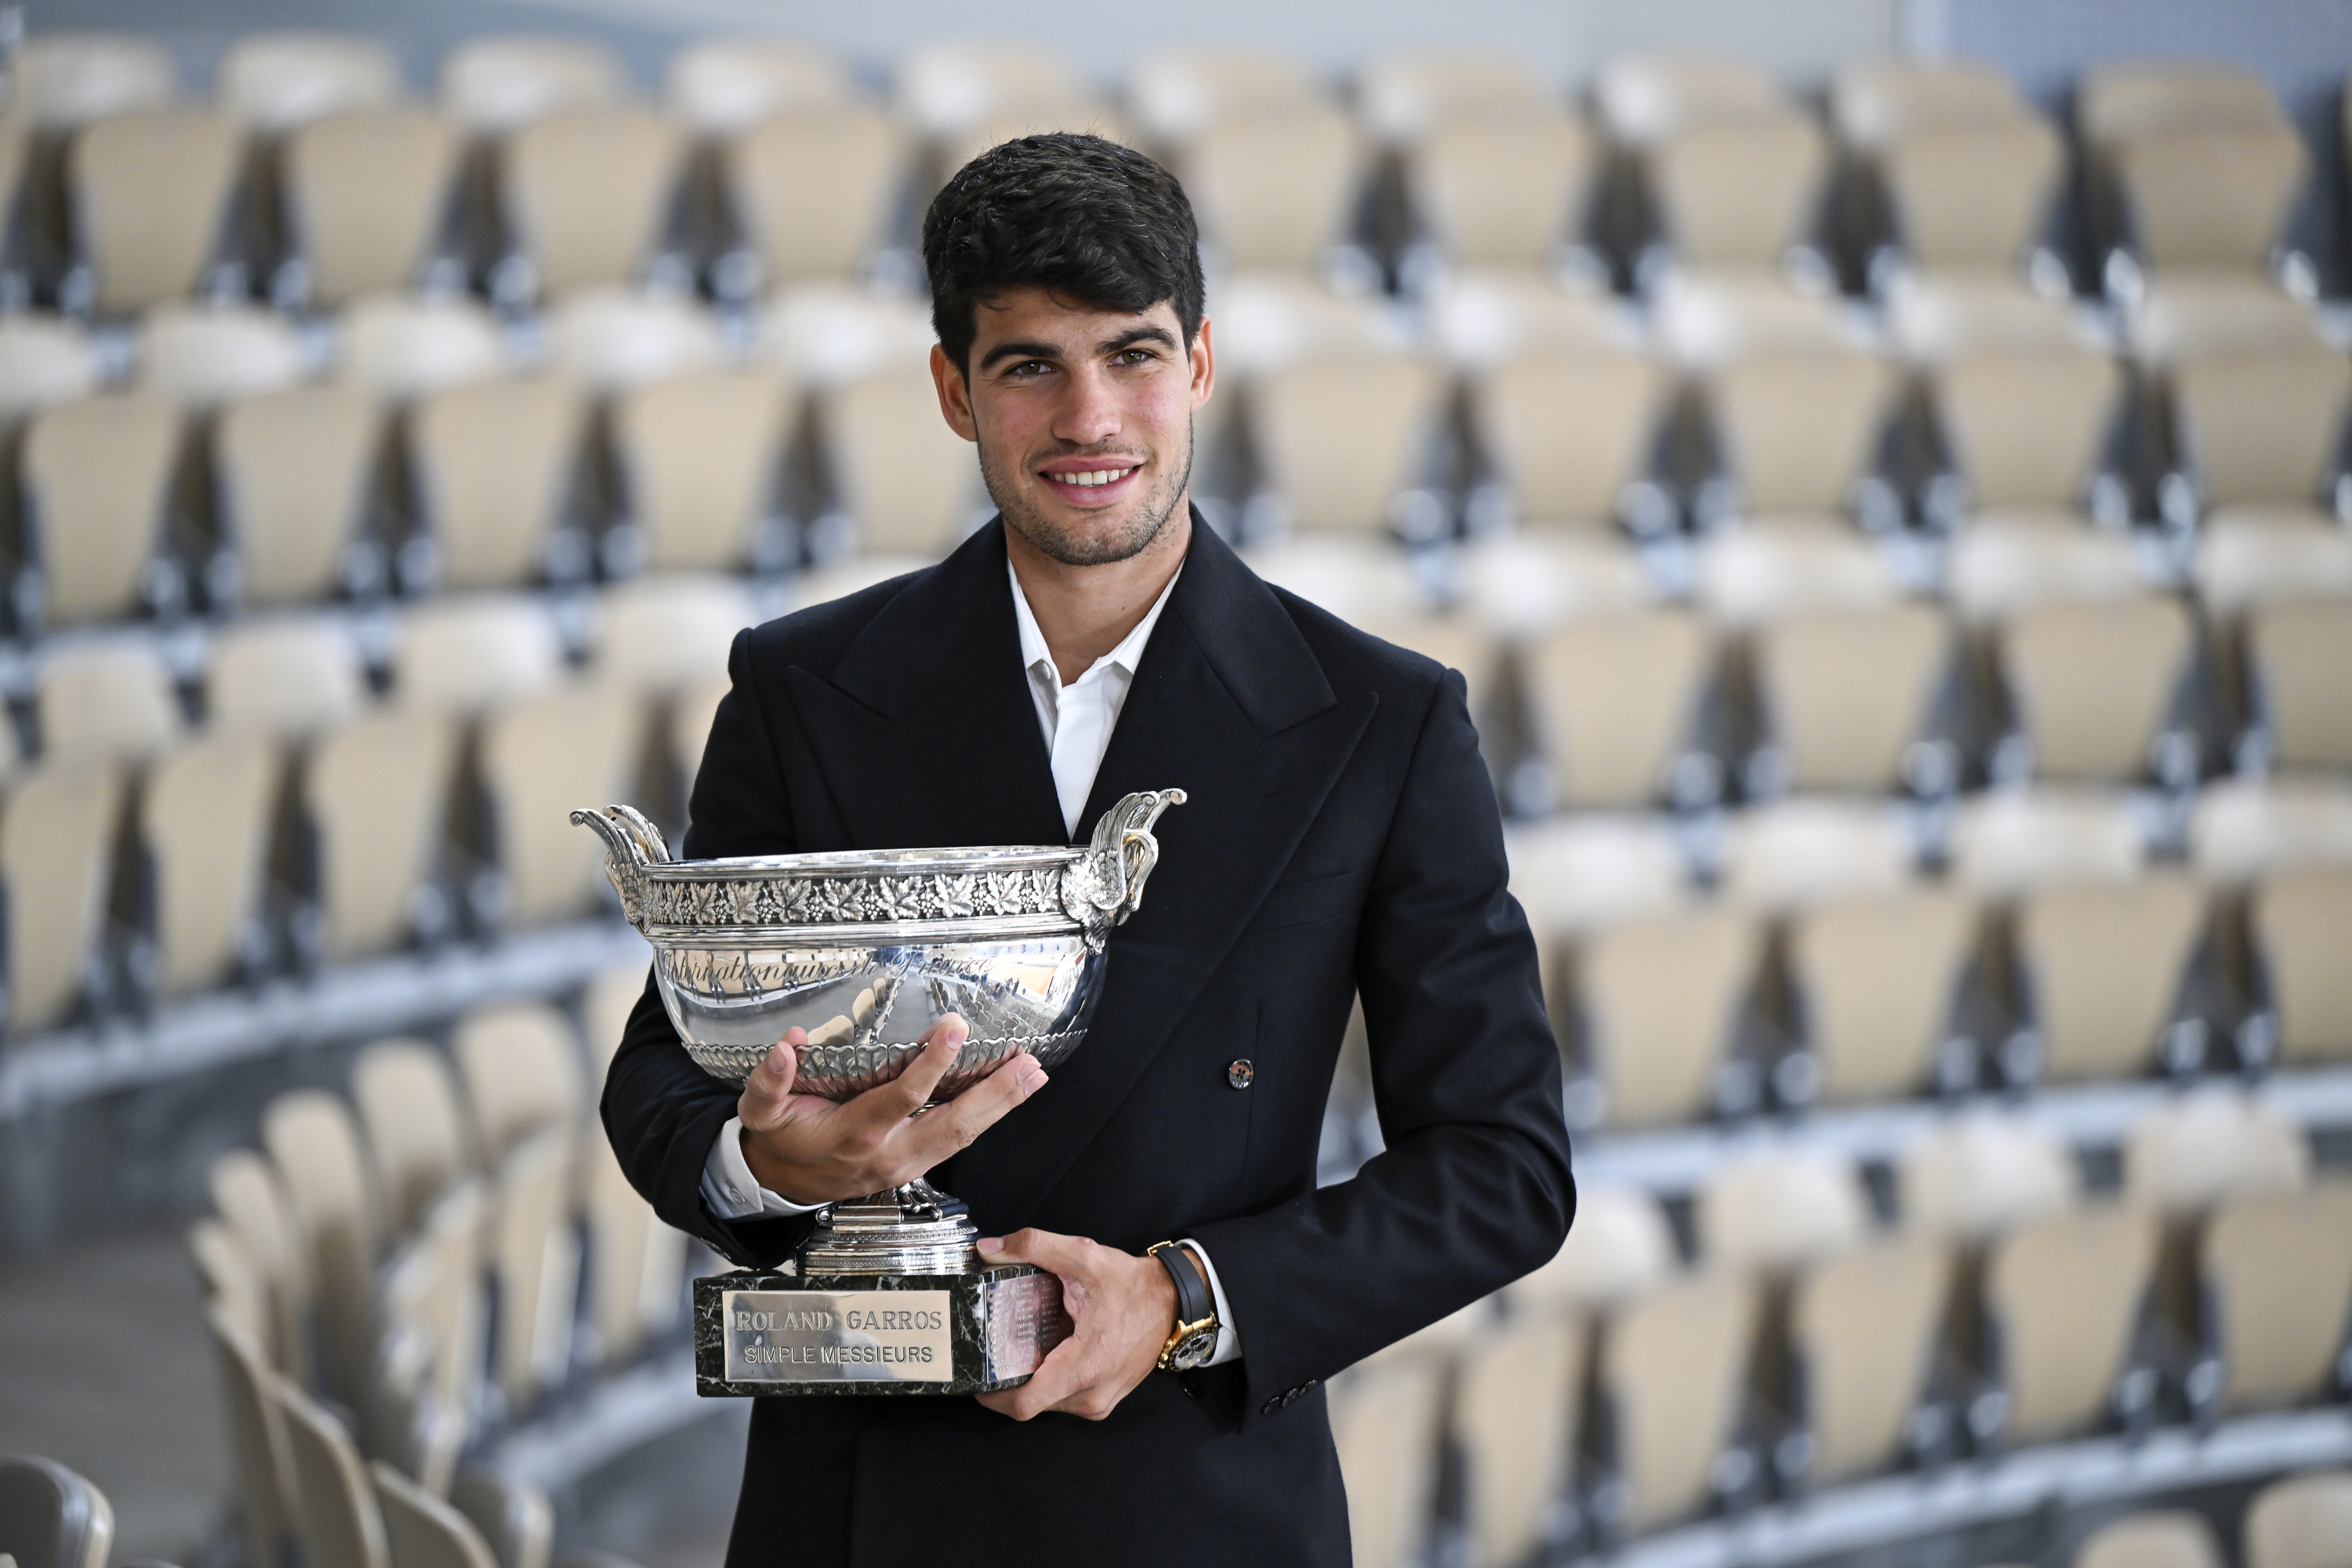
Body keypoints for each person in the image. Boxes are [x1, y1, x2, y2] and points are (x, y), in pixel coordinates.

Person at [602, 132, 1573, 1566]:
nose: (1091, 416)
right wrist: (776, 1167)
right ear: (954, 390)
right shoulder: (803, 689)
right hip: (865, 1503)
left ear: (1199, 365)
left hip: (1198, 1505)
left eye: (1131, 355)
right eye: (1029, 365)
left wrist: (1188, 1296)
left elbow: (1503, 1165)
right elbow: (663, 1076)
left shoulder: (1382, 721)